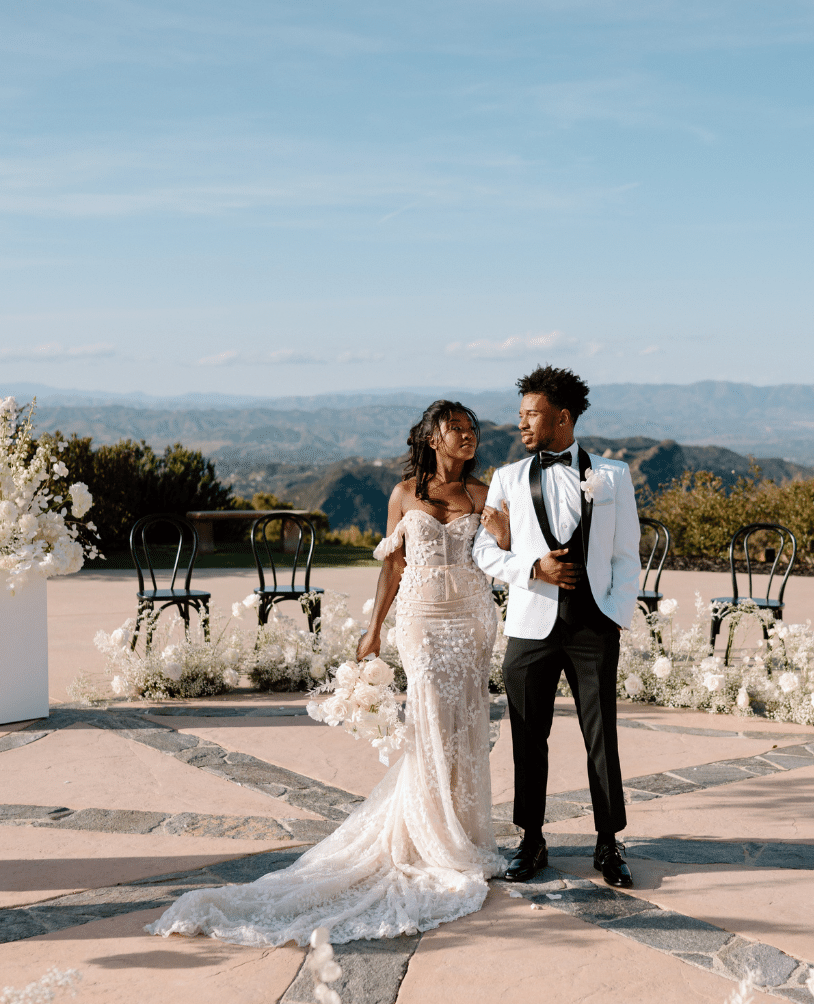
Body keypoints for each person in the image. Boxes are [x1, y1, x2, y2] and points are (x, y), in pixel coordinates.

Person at [146, 400, 506, 946]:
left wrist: (502, 528)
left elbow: (505, 552)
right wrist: (374, 629)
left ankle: (465, 830)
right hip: (422, 621)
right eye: (455, 429)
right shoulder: (404, 493)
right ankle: (431, 836)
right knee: (430, 720)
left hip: (472, 620)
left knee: (466, 725)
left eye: (471, 429)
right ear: (432, 437)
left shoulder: (485, 494)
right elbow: (393, 565)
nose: (467, 437)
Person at [472, 366, 641, 888]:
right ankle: (531, 839)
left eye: (532, 414)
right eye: (520, 413)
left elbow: (626, 555)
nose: (521, 423)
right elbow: (482, 551)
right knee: (527, 735)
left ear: (562, 418)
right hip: (531, 624)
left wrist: (614, 614)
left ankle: (609, 842)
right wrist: (530, 567)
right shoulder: (506, 479)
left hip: (594, 626)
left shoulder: (611, 476)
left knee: (601, 736)